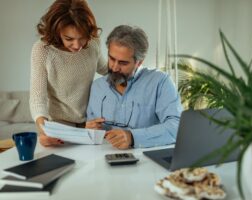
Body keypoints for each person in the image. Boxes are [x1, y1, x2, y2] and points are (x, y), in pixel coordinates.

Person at [86, 25, 182, 149]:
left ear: (139, 62)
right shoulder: (97, 87)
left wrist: (133, 137)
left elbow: (176, 126)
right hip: (100, 160)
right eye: (111, 58)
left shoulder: (160, 82)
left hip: (147, 162)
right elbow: (91, 131)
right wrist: (89, 129)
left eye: (123, 63)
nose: (114, 67)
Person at [30, 0, 107, 147]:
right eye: (69, 39)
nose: (77, 46)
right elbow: (37, 98)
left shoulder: (93, 43)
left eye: (82, 37)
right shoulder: (43, 50)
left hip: (89, 121)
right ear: (56, 32)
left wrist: (131, 71)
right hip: (60, 126)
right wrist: (43, 130)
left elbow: (104, 68)